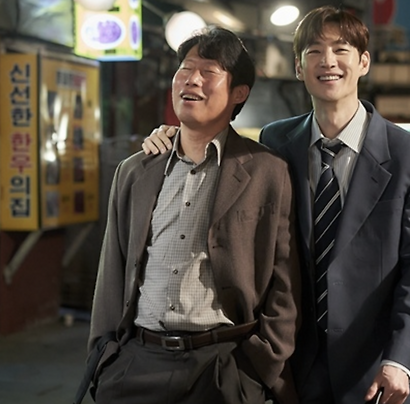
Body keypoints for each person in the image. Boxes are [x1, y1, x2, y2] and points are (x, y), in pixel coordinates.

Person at [142, 7, 410, 404]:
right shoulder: (276, 141)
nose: (328, 61)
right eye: (314, 51)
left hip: (374, 365)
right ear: (299, 68)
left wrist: (400, 358)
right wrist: (174, 136)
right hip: (291, 362)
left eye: (341, 49)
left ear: (364, 62)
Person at [83, 26, 301, 404]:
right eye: (185, 68)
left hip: (223, 366)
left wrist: (261, 365)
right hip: (137, 363)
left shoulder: (267, 171)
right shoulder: (135, 170)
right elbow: (112, 269)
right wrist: (103, 355)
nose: (191, 80)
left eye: (208, 72)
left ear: (239, 93)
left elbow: (285, 279)